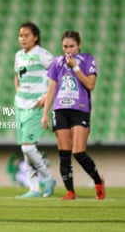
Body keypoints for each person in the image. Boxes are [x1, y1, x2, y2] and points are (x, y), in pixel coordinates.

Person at [41, 30, 105, 200]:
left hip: (80, 109)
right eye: (65, 46)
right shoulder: (57, 62)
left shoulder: (87, 60)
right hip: (60, 109)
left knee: (79, 152)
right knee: (64, 152)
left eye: (72, 46)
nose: (68, 50)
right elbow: (51, 88)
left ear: (79, 45)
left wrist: (75, 67)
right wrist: (45, 114)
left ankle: (98, 181)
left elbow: (90, 84)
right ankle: (70, 191)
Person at [14, 21, 56, 198]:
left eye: (26, 35)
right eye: (21, 35)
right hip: (21, 105)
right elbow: (16, 76)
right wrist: (18, 92)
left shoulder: (43, 54)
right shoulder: (18, 55)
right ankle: (34, 188)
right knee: (25, 147)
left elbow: (57, 74)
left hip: (36, 106)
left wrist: (47, 97)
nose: (23, 39)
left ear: (35, 37)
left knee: (27, 147)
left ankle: (48, 178)